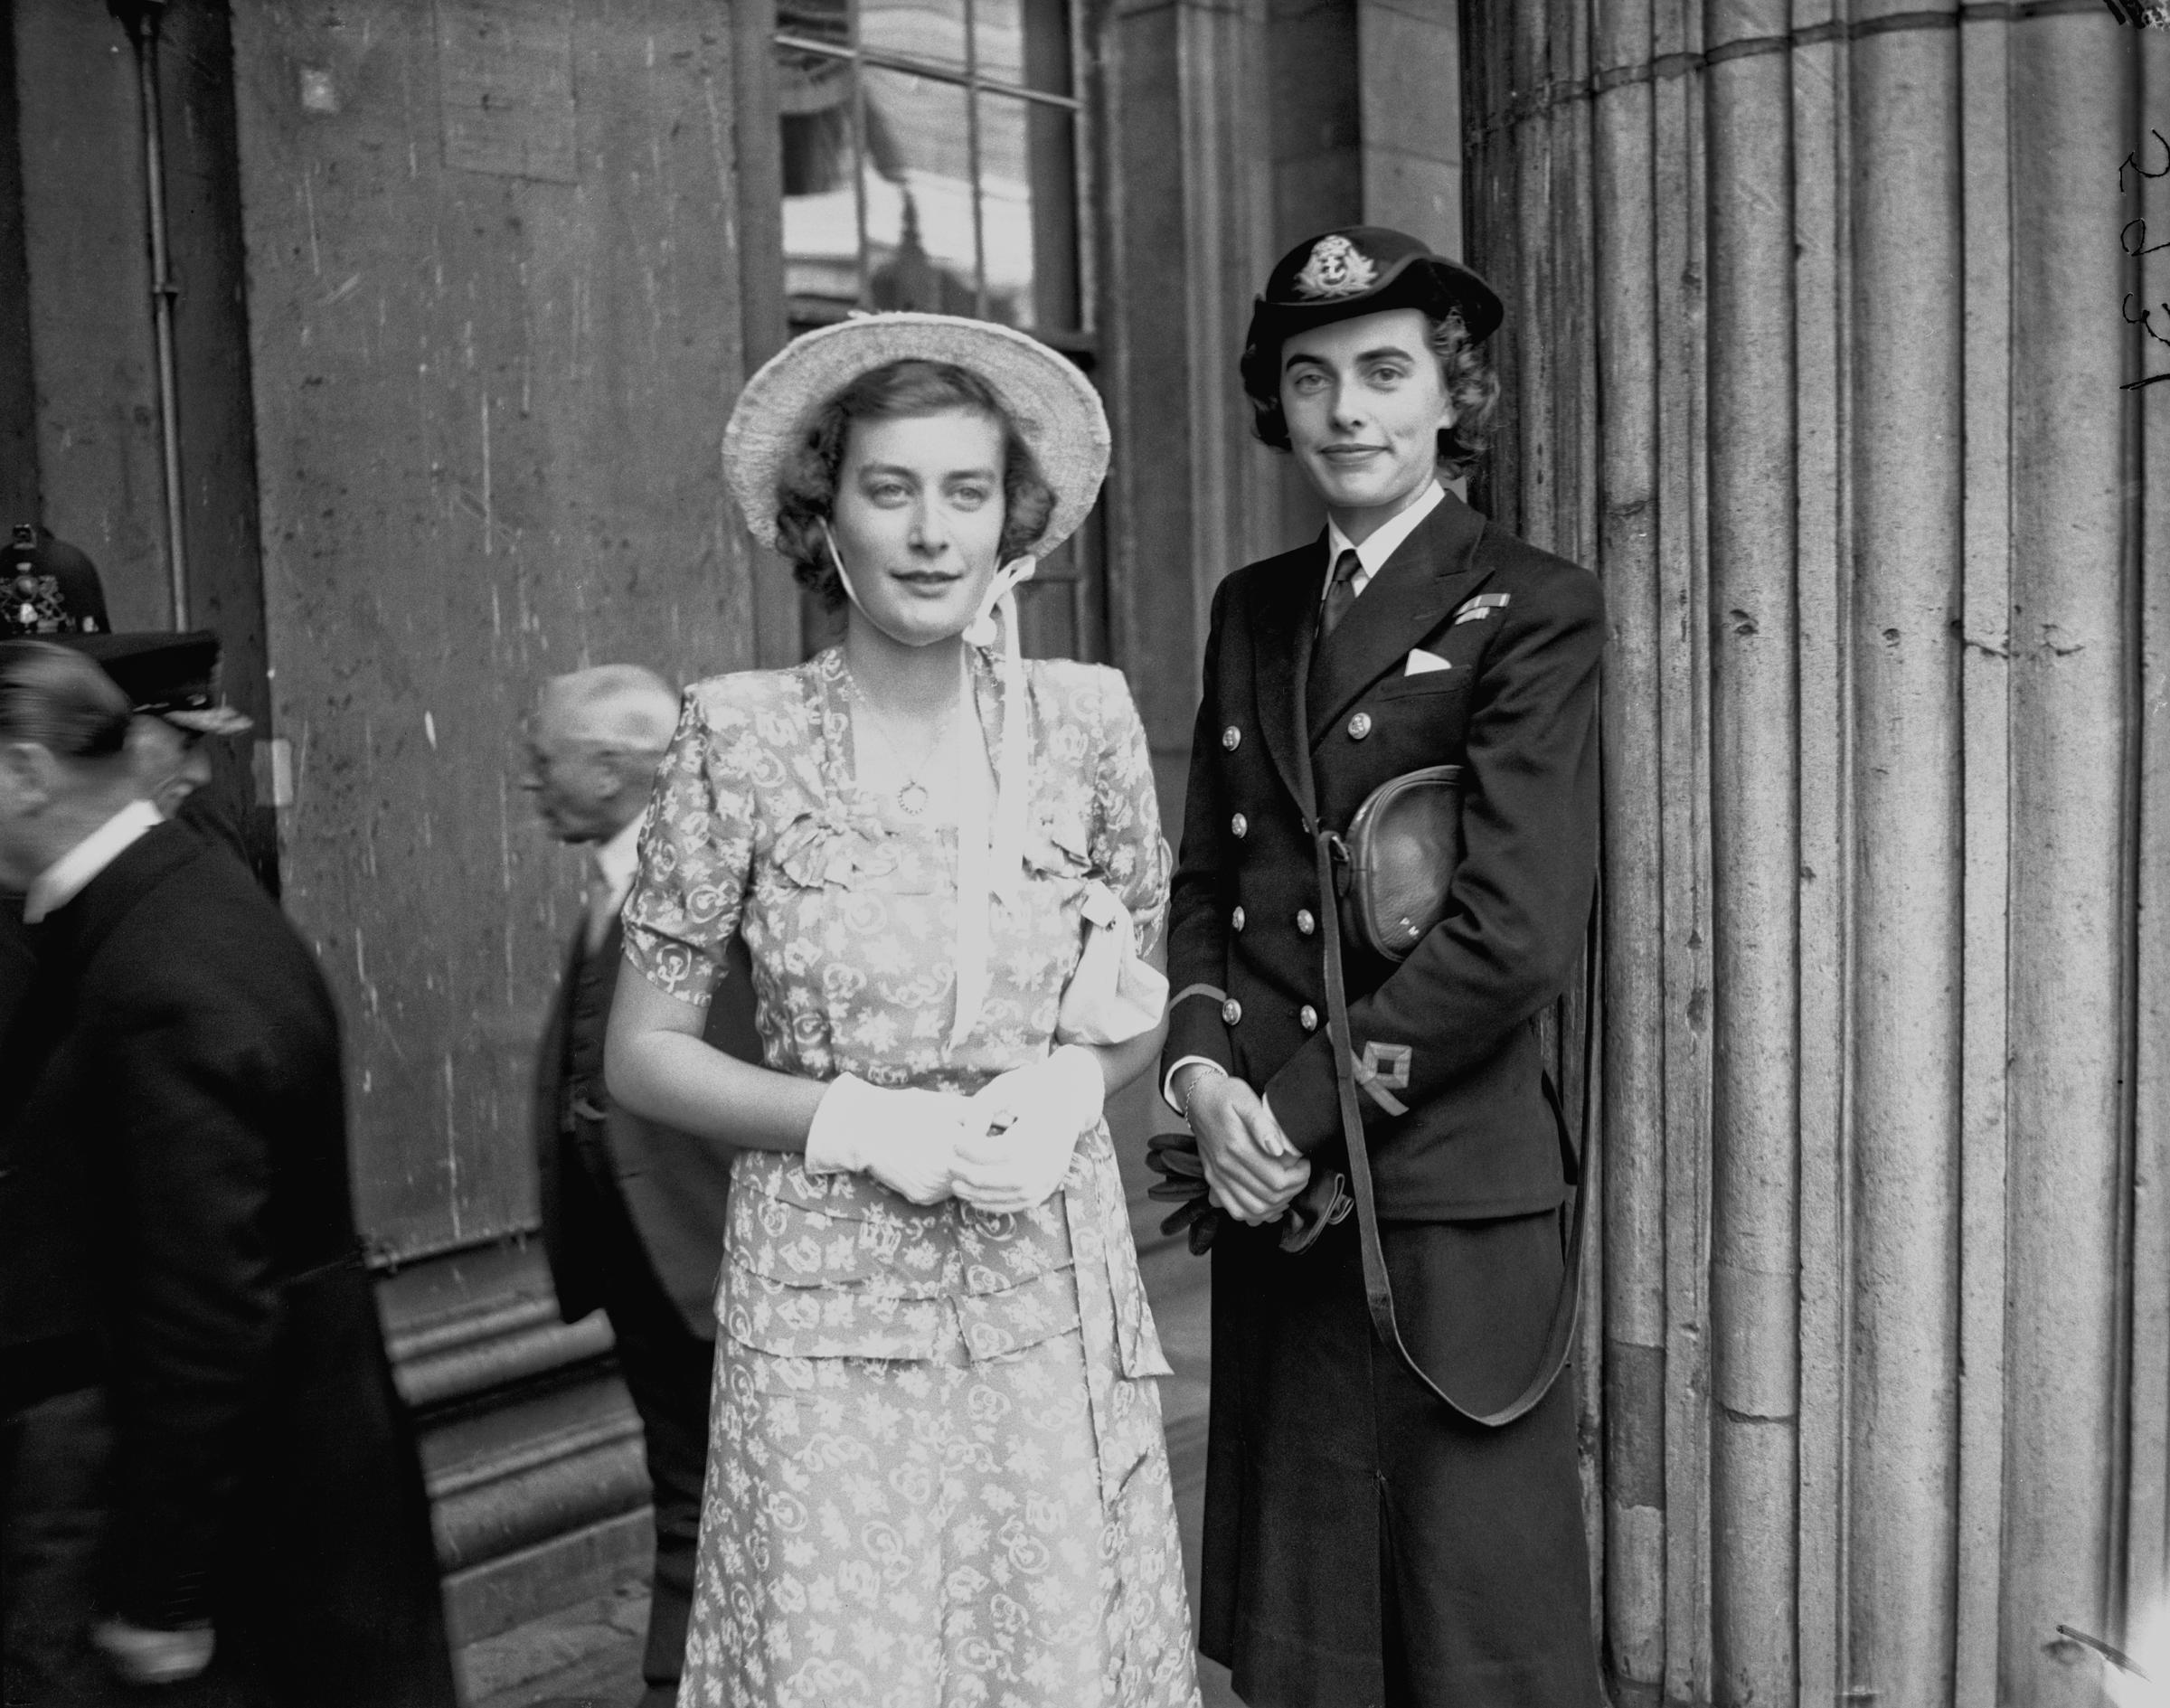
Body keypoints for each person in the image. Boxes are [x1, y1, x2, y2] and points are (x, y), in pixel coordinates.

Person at [606, 313, 1198, 1708]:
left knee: (1045, 1658)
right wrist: (859, 1125)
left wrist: (1077, 1084)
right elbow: (643, 1053)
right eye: (891, 490)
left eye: (966, 492)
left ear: (1013, 522)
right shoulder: (739, 735)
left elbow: (1138, 988)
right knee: (839, 1667)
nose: (931, 533)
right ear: (827, 516)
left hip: (1042, 1288)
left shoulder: (1087, 723)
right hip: (824, 1303)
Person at [1160, 227, 1607, 1705]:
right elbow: (1210, 887)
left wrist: (1281, 1117)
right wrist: (1205, 1076)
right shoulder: (1252, 607)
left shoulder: (1528, 603)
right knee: (1311, 1629)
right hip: (1274, 1198)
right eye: (1311, 378)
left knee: (1477, 1628)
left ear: (1448, 396)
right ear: (1277, 406)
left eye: (1384, 372)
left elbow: (1512, 932)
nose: (1348, 409)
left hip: (1443, 1186)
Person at [0, 638, 458, 1706]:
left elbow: (206, 1306)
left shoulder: (158, 969)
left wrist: (162, 1589)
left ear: (26, 772)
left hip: (252, 1523)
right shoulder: (159, 901)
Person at [522, 663, 760, 1708]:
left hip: (712, 1260)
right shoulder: (613, 877)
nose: (532, 783)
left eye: (546, 763)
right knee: (688, 1495)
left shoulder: (711, 880)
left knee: (728, 1507)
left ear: (612, 768)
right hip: (640, 1262)